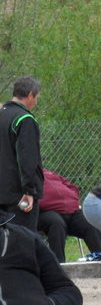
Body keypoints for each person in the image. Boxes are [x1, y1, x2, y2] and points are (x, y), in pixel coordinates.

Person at [0, 76, 44, 230]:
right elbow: (27, 158)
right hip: (18, 197)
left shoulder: (2, 114)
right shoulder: (24, 119)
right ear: (30, 94)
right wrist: (29, 191)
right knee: (22, 243)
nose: (36, 102)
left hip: (2, 194)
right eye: (36, 97)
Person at [37, 168, 101, 262]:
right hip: (46, 212)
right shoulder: (24, 175)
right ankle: (59, 266)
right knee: (56, 223)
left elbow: (70, 185)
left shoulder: (47, 172)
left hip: (70, 210)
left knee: (89, 222)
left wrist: (72, 195)